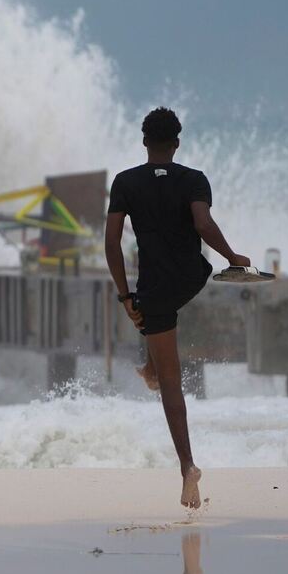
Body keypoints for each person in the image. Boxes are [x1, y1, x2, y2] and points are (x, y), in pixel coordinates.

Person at [104, 108, 250, 509]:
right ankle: (149, 364)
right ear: (177, 143)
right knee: (156, 327)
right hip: (191, 277)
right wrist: (234, 257)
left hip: (153, 290)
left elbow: (112, 242)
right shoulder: (194, 179)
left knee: (170, 379)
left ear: (145, 141)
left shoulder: (125, 182)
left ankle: (188, 467)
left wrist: (124, 296)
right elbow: (203, 225)